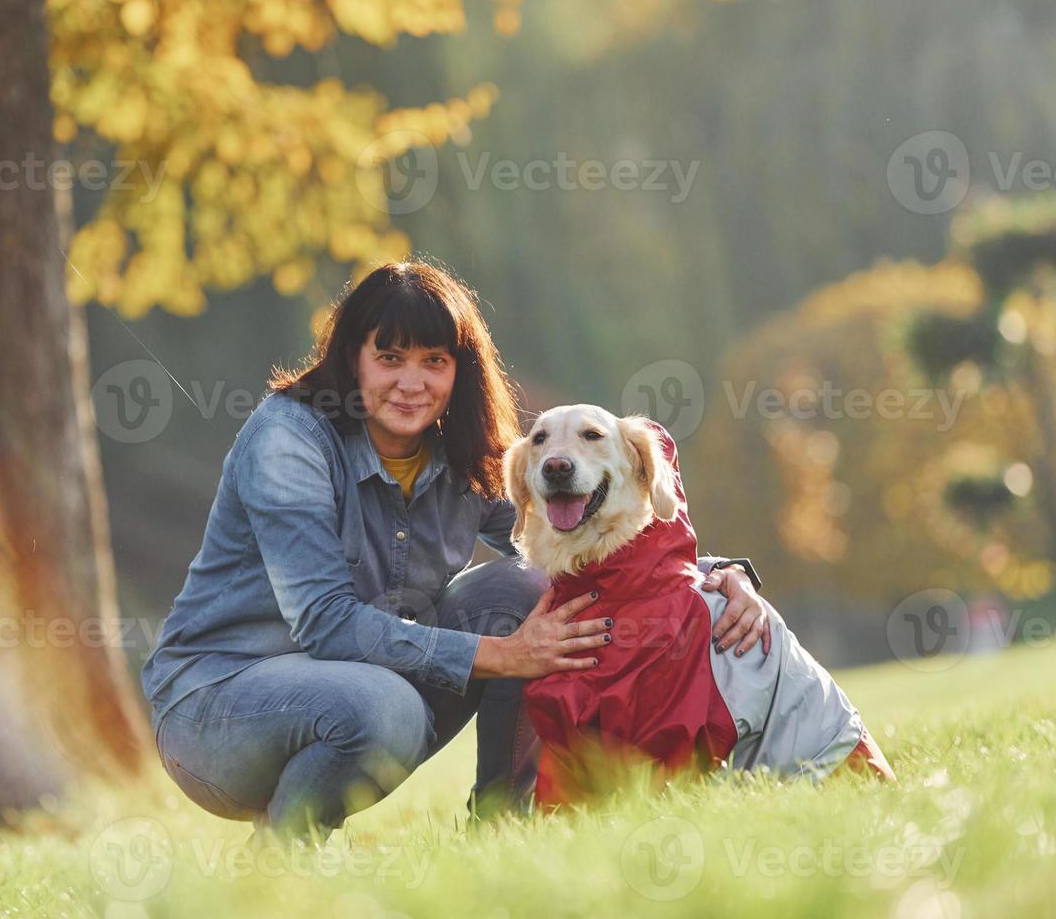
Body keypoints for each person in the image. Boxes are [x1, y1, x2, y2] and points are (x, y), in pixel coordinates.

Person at [139, 259, 771, 842]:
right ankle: (279, 859)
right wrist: (502, 655)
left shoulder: (463, 452)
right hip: (217, 709)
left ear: (459, 369)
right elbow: (325, 622)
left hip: (370, 689)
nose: (411, 383)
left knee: (531, 595)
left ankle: (502, 828)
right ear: (351, 358)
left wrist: (718, 577)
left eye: (434, 361)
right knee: (384, 706)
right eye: (389, 357)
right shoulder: (288, 440)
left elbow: (578, 548)